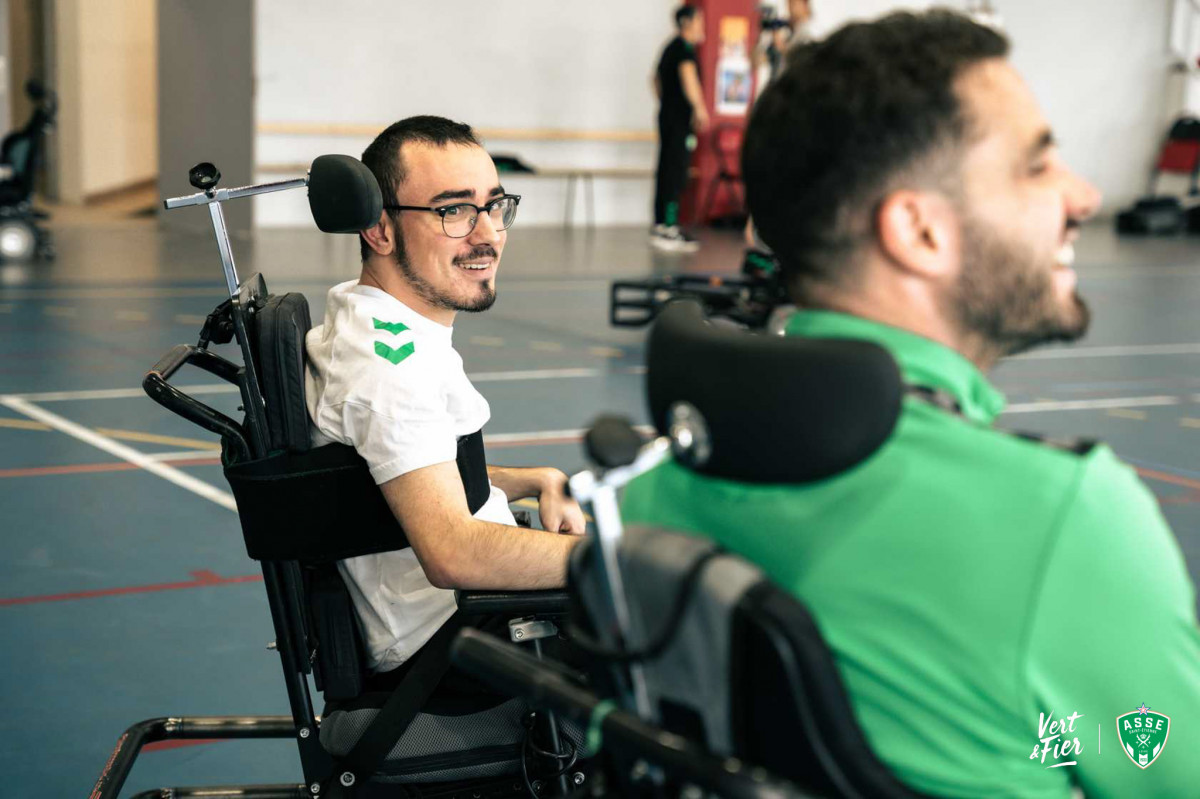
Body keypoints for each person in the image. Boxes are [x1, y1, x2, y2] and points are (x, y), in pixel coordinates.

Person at [622, 11, 1200, 797]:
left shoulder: (661, 483)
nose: (1085, 195)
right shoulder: (1058, 520)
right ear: (920, 232)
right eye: (1036, 166)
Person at [305, 116, 584, 674]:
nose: (488, 234)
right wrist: (619, 562)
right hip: (456, 641)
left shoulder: (375, 323)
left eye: (494, 206)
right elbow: (453, 552)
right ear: (379, 230)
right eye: (453, 211)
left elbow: (410, 475)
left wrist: (538, 478)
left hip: (472, 616)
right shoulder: (390, 373)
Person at [651, 4, 708, 253]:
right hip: (678, 122)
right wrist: (699, 108)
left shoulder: (669, 47)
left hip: (668, 117)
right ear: (687, 22)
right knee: (675, 172)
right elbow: (688, 78)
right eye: (699, 21)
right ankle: (669, 227)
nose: (702, 26)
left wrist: (667, 102)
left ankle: (662, 224)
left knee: (667, 169)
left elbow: (654, 80)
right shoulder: (683, 50)